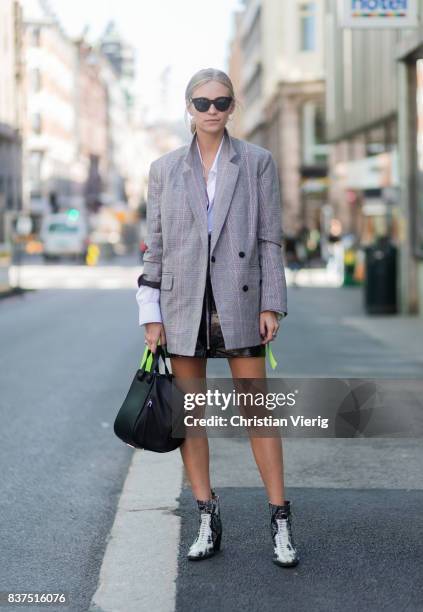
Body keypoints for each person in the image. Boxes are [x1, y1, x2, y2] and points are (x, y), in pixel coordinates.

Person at [136, 68, 299, 567]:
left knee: (257, 412)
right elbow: (155, 247)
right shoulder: (164, 169)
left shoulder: (256, 162)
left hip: (241, 302)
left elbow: (271, 237)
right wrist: (150, 313)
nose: (211, 110)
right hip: (183, 304)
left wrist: (272, 302)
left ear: (233, 106)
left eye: (221, 102)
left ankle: (280, 519)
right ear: (188, 106)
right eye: (202, 102)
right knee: (192, 418)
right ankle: (207, 516)